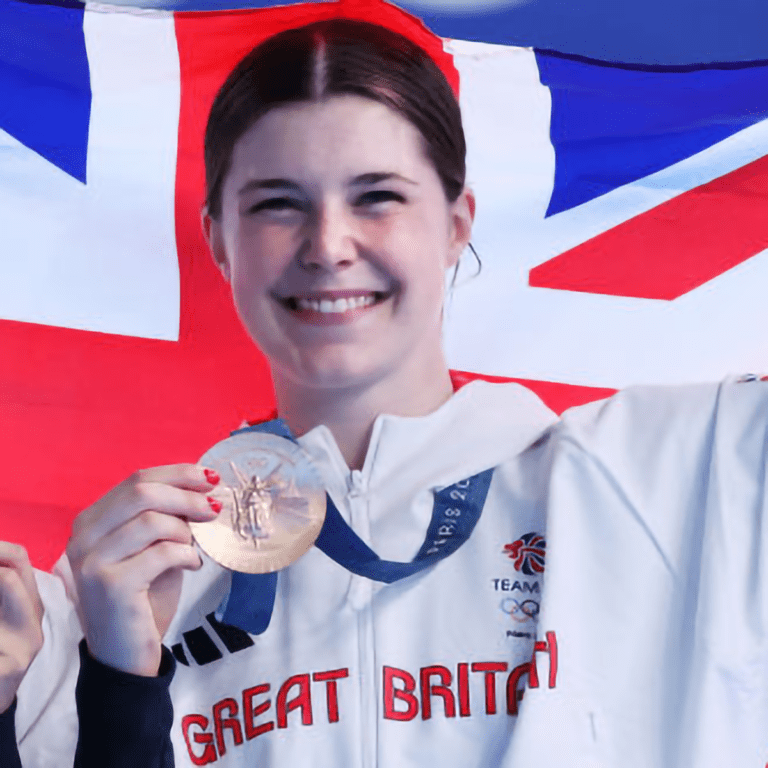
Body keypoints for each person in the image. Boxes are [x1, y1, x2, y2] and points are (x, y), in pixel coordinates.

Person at [12, 16, 768, 768]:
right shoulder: (118, 589)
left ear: (456, 223)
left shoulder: (679, 473)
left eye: (377, 197)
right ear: (218, 239)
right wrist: (114, 681)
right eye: (278, 203)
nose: (329, 246)